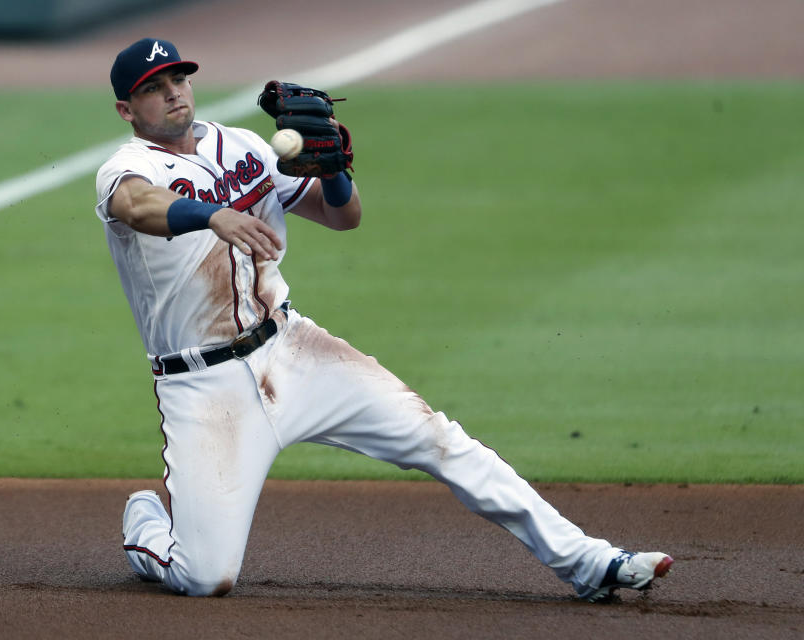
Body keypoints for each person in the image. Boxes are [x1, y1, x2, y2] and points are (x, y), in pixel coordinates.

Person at [94, 38, 673, 601]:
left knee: (439, 439)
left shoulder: (244, 146)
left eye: (179, 79)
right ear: (127, 109)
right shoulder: (125, 169)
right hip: (204, 385)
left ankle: (590, 562)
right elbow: (140, 207)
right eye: (153, 88)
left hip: (293, 349)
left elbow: (344, 217)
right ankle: (146, 522)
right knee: (206, 578)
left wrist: (335, 168)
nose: (173, 94)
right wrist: (213, 215)